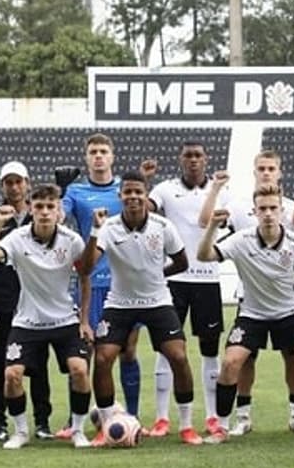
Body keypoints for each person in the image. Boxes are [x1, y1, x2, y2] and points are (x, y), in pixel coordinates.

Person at [197, 184, 294, 443]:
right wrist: (212, 228)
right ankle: (223, 427)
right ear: (255, 212)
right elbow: (204, 255)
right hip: (252, 313)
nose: (269, 213)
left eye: (273, 208)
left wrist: (285, 281)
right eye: (263, 209)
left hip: (289, 311)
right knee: (230, 363)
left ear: (282, 211)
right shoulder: (241, 240)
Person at [80, 172, 203, 445]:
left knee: (179, 357)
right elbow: (86, 268)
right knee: (102, 358)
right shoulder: (108, 227)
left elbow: (182, 262)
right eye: (128, 192)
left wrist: (158, 275)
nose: (133, 197)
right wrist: (94, 231)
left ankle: (186, 426)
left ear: (146, 195)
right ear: (120, 196)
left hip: (157, 301)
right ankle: (107, 424)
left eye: (138, 191)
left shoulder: (162, 225)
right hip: (119, 304)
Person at [0, 184, 95, 449]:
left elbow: (85, 277)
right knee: (12, 376)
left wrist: (85, 321)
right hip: (27, 321)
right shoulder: (17, 238)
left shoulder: (71, 239)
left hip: (65, 320)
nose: (44, 212)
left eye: (50, 207)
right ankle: (20, 431)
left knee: (80, 370)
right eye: (39, 207)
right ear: (31, 209)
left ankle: (77, 430)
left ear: (58, 211)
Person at [206, 150, 294, 435]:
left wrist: (288, 283)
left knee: (292, 356)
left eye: (271, 168)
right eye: (261, 168)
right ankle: (242, 416)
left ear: (279, 171)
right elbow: (207, 225)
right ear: (254, 171)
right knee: (244, 359)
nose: (266, 172)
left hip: (284, 302)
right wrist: (215, 193)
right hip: (249, 298)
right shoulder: (239, 206)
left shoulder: (290, 207)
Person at [59, 133, 150, 431]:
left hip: (125, 283)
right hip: (90, 283)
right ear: (86, 157)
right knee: (86, 354)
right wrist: (61, 192)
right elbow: (58, 218)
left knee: (128, 351)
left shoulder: (123, 190)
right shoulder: (75, 190)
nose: (98, 156)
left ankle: (132, 416)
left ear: (112, 156)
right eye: (93, 152)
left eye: (103, 151)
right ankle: (77, 423)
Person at [0, 161, 54, 440]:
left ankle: (42, 421)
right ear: (2, 186)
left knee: (39, 362)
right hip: (2, 299)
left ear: (27, 183)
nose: (15, 187)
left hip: (36, 299)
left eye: (19, 181)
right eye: (9, 182)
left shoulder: (40, 215)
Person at [147, 141, 224, 438]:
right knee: (167, 350)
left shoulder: (221, 190)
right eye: (188, 156)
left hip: (207, 277)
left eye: (198, 156)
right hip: (174, 280)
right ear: (181, 160)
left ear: (206, 160)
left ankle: (213, 415)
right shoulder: (165, 189)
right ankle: (163, 417)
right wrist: (148, 179)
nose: (193, 160)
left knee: (209, 350)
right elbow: (144, 207)